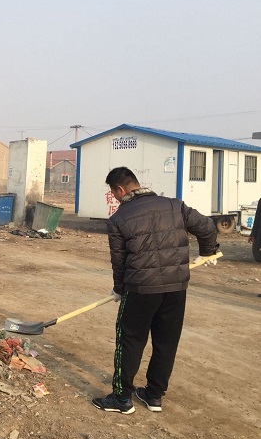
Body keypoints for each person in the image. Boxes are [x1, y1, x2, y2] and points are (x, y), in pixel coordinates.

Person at [93, 167, 218, 415]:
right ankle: (154, 395)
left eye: (113, 193)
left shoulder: (118, 219)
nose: (114, 198)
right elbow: (206, 226)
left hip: (140, 290)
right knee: (166, 342)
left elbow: (119, 262)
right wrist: (208, 251)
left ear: (120, 189)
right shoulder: (174, 205)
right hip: (176, 287)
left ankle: (122, 398)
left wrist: (119, 289)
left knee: (130, 340)